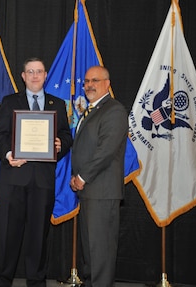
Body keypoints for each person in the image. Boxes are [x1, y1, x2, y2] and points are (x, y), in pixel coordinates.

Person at [0, 57, 73, 287]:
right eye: (30, 71)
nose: (35, 76)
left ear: (45, 75)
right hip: (13, 178)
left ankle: (36, 282)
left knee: (39, 236)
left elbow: (67, 135)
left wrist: (60, 144)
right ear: (23, 76)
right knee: (8, 235)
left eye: (39, 71)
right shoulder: (9, 102)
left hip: (42, 181)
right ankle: (2, 281)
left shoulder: (56, 104)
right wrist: (9, 155)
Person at [69, 66, 127, 287]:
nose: (89, 85)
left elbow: (106, 151)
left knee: (100, 251)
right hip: (90, 191)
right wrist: (77, 176)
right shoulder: (92, 110)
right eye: (86, 81)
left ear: (107, 84)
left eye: (95, 80)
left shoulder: (114, 110)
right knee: (91, 250)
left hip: (102, 191)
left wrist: (82, 177)